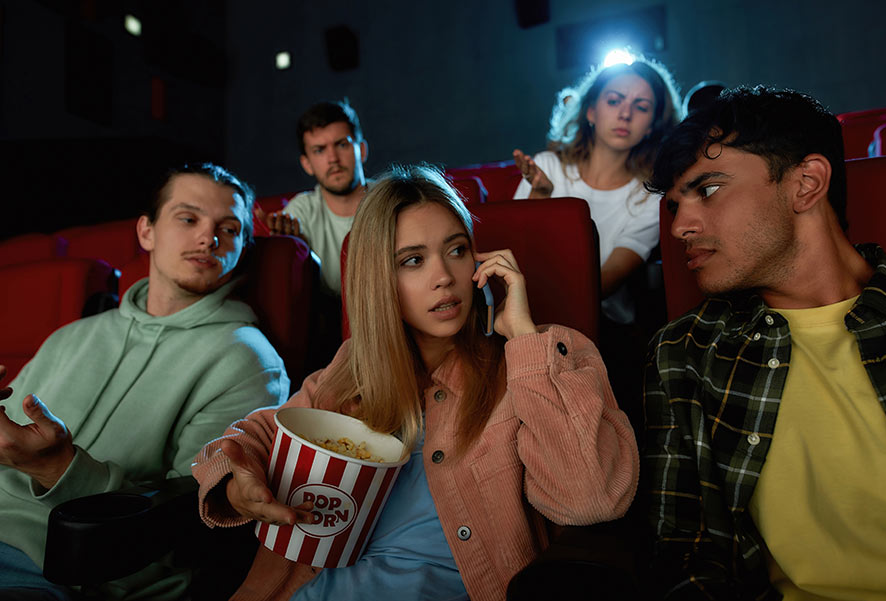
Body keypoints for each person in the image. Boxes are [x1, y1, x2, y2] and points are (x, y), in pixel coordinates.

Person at [193, 164, 639, 601]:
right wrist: (237, 484)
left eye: (457, 249)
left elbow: (590, 500)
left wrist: (523, 338)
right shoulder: (355, 367)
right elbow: (262, 432)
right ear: (379, 281)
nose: (444, 276)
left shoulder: (542, 357)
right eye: (412, 260)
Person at [642, 86, 886, 600]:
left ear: (806, 183)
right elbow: (690, 553)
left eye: (708, 190)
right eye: (674, 206)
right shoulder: (686, 353)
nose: (680, 227)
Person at [0, 163, 290, 600]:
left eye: (229, 229)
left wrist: (58, 470)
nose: (208, 238)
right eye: (188, 218)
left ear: (241, 249)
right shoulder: (72, 335)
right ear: (146, 232)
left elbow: (198, 518)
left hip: (64, 571)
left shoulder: (249, 360)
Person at [512, 55, 682, 326]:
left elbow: (608, 280)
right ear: (591, 111)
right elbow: (516, 266)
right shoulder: (546, 167)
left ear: (652, 126)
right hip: (527, 316)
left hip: (604, 327)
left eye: (641, 107)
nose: (625, 114)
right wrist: (540, 201)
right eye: (614, 101)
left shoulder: (650, 195)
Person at [257, 99, 368, 299]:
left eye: (341, 144)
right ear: (307, 164)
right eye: (319, 150)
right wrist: (294, 249)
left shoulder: (391, 198)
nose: (333, 158)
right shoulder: (300, 211)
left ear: (361, 150)